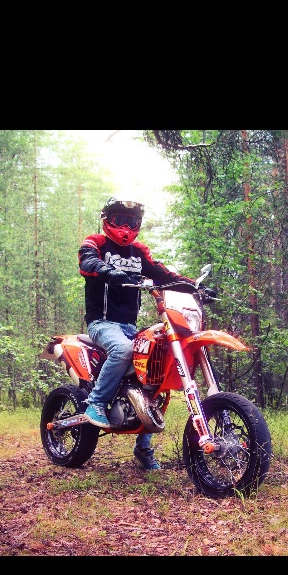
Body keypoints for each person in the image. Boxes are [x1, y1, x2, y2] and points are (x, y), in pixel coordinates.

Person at [79, 197, 196, 470]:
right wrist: (108, 271)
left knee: (155, 370)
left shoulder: (139, 252)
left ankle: (143, 447)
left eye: (132, 222)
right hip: (102, 323)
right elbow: (87, 262)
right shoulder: (96, 243)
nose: (126, 227)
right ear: (107, 220)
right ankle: (96, 403)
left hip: (129, 327)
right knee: (122, 349)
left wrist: (193, 286)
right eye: (120, 220)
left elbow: (163, 274)